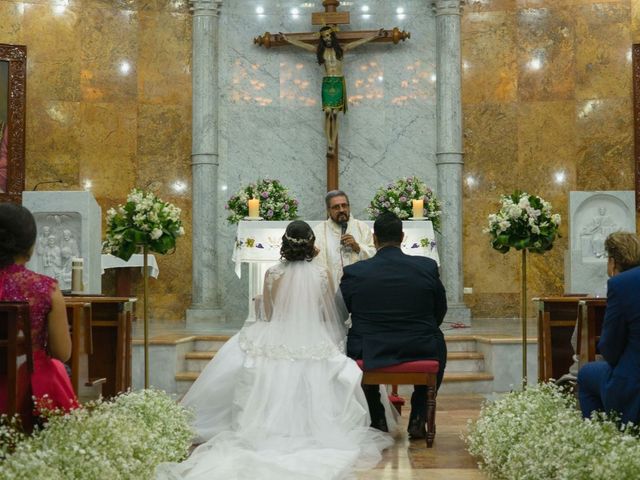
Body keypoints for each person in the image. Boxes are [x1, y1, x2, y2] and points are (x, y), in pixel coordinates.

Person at [156, 220, 393, 480]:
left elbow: (268, 315)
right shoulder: (322, 273)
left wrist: (264, 304)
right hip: (312, 336)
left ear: (285, 243)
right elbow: (328, 313)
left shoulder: (272, 273)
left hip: (276, 333)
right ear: (312, 244)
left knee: (242, 353)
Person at [340, 212, 447, 439]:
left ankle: (377, 415)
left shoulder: (354, 272)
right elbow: (440, 309)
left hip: (371, 348)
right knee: (437, 340)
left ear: (374, 238)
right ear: (402, 236)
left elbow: (346, 310)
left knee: (352, 343)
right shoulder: (427, 267)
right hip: (419, 346)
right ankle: (418, 415)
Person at [0, 203, 78, 415]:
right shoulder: (46, 289)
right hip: (26, 386)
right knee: (58, 368)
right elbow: (62, 352)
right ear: (30, 245)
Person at [281, 27, 384, 153]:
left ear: (332, 36)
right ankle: (329, 143)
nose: (327, 38)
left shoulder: (341, 49)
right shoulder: (319, 51)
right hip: (328, 82)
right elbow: (303, 45)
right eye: (324, 37)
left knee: (334, 115)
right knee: (328, 112)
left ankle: (332, 143)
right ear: (322, 38)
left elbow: (358, 42)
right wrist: (288, 39)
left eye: (329, 36)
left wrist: (374, 36)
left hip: (338, 82)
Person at [577, 232, 640, 424]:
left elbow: (609, 347)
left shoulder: (620, 284)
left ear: (612, 262)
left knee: (586, 374)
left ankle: (603, 442)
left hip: (634, 383)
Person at [313, 190, 375, 290]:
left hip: (359, 289)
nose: (341, 210)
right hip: (331, 290)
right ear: (328, 211)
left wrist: (358, 248)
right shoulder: (318, 231)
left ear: (349, 207)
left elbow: (375, 256)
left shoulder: (362, 228)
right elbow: (315, 265)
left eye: (344, 205)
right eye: (336, 207)